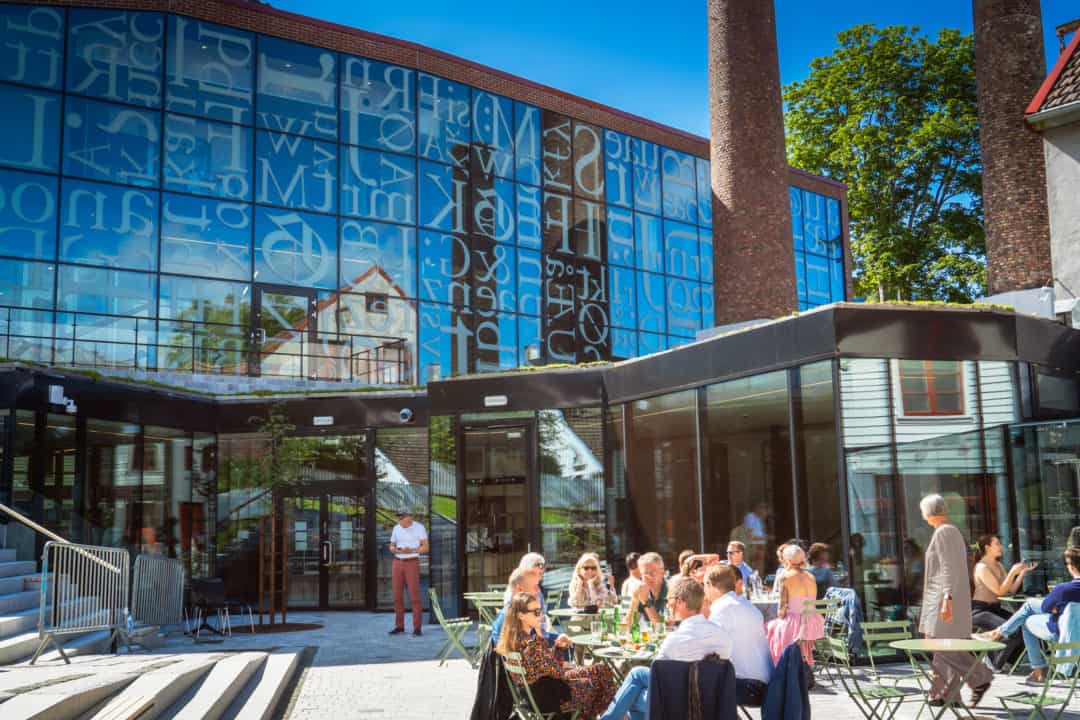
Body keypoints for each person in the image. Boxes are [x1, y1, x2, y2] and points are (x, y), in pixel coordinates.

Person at [599, 577, 732, 720]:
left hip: (678, 705)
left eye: (669, 600)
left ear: (680, 602)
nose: (667, 605)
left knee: (634, 690)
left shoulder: (675, 640)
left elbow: (657, 680)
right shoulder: (723, 636)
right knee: (637, 678)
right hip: (713, 702)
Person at [918, 493, 992, 707]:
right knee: (943, 648)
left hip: (943, 599)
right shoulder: (949, 531)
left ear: (929, 512)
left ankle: (979, 677)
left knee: (942, 645)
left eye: (923, 511)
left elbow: (948, 568)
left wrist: (946, 598)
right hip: (943, 597)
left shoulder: (944, 532)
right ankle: (945, 694)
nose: (922, 516)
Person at [496, 592, 616, 718]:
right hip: (549, 697)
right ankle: (610, 715)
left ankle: (609, 715)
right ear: (521, 615)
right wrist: (540, 635)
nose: (541, 614)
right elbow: (557, 671)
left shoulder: (515, 639)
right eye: (536, 612)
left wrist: (558, 648)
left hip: (534, 696)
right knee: (593, 682)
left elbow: (546, 668)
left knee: (600, 669)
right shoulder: (532, 643)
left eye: (541, 610)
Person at [979, 547, 1080, 683]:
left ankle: (1038, 671)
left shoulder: (1063, 589)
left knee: (1027, 618)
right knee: (1030, 609)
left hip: (1062, 633)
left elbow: (1045, 607)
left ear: (1072, 567)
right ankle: (1000, 632)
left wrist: (1057, 607)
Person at [705, 564, 772, 706]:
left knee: (690, 684)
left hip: (750, 687)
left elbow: (708, 648)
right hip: (765, 682)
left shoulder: (722, 609)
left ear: (709, 585)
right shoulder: (745, 604)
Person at [970, 535, 1033, 670]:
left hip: (995, 608)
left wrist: (1022, 573)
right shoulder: (982, 567)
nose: (1001, 547)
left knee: (1023, 625)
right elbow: (999, 591)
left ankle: (1008, 661)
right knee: (1010, 630)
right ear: (987, 548)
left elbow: (1010, 590)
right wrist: (1012, 572)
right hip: (981, 610)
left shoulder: (998, 565)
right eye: (997, 544)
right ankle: (993, 660)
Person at [766, 545, 824, 675]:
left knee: (769, 628)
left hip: (797, 625)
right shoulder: (811, 576)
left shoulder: (785, 576)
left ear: (787, 560)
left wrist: (779, 616)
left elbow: (781, 609)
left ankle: (780, 670)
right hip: (812, 623)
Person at [491, 567, 568, 649]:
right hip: (526, 653)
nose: (537, 591)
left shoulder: (515, 605)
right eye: (534, 586)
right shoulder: (515, 612)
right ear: (520, 588)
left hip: (519, 651)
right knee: (565, 646)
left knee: (564, 641)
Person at [388, 510, 428, 636]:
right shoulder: (396, 528)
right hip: (397, 562)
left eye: (402, 520)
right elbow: (391, 546)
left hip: (412, 562)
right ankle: (399, 626)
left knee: (414, 596)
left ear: (409, 518)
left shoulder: (419, 528)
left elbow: (425, 547)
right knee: (397, 596)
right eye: (399, 520)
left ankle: (417, 628)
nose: (400, 523)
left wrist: (412, 550)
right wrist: (395, 549)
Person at [628, 552, 668, 625]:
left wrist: (646, 602)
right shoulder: (644, 592)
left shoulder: (672, 591)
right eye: (645, 573)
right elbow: (628, 627)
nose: (649, 577)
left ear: (662, 572)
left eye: (652, 572)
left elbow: (663, 628)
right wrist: (635, 600)